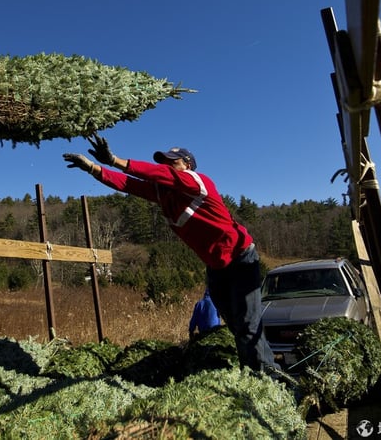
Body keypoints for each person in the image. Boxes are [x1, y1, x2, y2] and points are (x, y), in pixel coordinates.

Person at [63, 135, 282, 376]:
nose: (167, 166)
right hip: (217, 267)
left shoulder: (198, 182)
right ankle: (253, 370)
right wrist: (93, 168)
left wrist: (115, 160)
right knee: (236, 324)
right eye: (164, 162)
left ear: (187, 165)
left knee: (248, 323)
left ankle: (268, 376)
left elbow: (162, 174)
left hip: (241, 258)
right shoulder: (164, 195)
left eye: (173, 162)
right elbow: (128, 184)